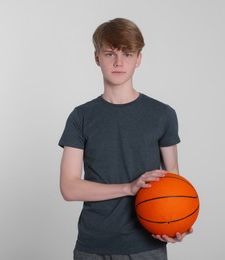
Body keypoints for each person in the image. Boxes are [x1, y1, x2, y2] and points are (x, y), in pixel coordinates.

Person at [58, 18, 192, 260]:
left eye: (128, 54)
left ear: (139, 59)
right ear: (97, 57)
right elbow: (69, 188)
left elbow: (173, 179)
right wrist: (128, 188)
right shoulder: (81, 117)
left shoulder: (163, 114)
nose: (119, 62)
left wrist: (176, 223)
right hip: (93, 246)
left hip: (146, 246)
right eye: (110, 53)